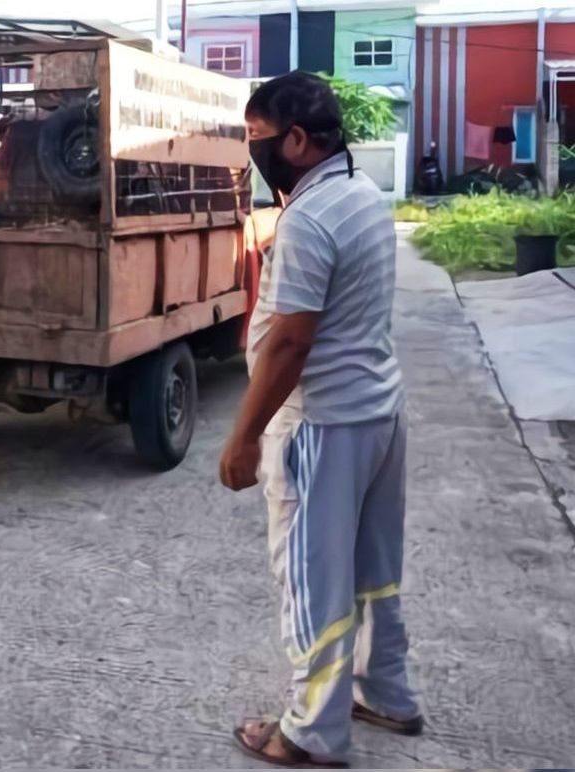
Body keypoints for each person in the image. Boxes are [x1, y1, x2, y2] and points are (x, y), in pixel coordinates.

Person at [219, 72, 423, 767]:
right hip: (376, 414)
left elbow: (291, 342)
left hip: (322, 427)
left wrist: (244, 436)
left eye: (258, 141)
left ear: (297, 140)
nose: (255, 155)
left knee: (313, 583)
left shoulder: (309, 218)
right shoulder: (362, 196)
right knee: (373, 572)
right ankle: (386, 692)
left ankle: (311, 731)